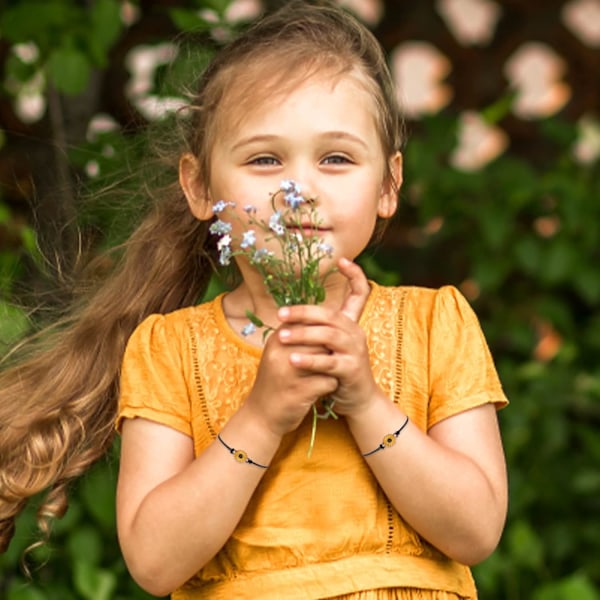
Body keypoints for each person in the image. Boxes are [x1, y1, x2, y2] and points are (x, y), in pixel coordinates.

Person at [0, 1, 508, 598]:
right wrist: (263, 415)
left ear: (389, 184)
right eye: (265, 159)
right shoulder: (169, 350)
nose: (301, 192)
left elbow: (474, 532)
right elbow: (156, 564)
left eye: (336, 158)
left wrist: (367, 400)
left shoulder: (435, 324)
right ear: (199, 187)